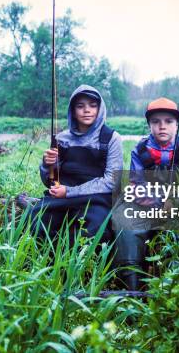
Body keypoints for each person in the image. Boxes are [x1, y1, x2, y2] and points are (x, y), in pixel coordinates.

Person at [114, 97, 179, 291]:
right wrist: (158, 204)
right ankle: (131, 286)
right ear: (149, 125)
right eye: (156, 122)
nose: (162, 126)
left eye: (168, 121)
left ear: (177, 125)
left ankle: (174, 286)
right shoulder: (140, 150)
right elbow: (137, 186)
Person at [31, 84, 123, 243]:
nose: (87, 110)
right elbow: (50, 182)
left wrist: (69, 192)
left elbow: (111, 182)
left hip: (97, 199)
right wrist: (46, 165)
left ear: (100, 109)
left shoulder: (112, 138)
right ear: (72, 110)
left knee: (93, 229)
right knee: (37, 220)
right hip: (61, 197)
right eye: (80, 106)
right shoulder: (61, 139)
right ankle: (48, 263)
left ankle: (82, 266)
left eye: (93, 106)